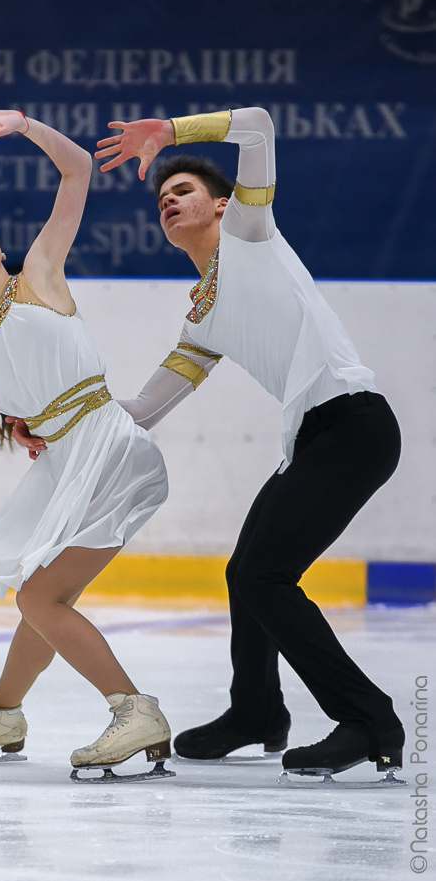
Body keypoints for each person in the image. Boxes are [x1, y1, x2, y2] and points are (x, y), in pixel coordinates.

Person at [87, 105, 404, 779]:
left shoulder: (249, 232)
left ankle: (367, 718)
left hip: (354, 424)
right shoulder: (201, 315)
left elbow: (257, 124)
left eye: (183, 192)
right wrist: (59, 417)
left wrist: (166, 134)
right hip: (314, 438)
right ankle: (255, 711)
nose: (169, 201)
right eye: (163, 199)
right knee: (246, 574)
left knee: (265, 575)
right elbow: (141, 409)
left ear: (221, 204)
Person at [0, 108, 172, 780]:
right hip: (64, 461)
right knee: (40, 592)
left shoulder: (39, 275)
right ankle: (3, 711)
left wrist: (24, 125)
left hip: (107, 447)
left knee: (36, 599)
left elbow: (77, 167)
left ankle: (133, 709)